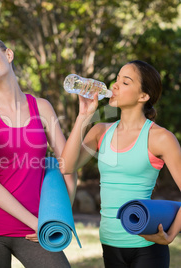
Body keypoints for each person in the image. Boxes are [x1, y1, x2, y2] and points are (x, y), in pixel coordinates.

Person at [0, 36, 77, 268]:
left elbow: (68, 164)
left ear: (8, 55)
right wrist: (37, 223)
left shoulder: (42, 107)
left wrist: (57, 218)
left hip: (36, 224)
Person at [60, 60, 181, 267]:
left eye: (125, 82)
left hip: (147, 246)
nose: (114, 86)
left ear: (143, 96)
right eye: (116, 79)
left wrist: (171, 234)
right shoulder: (100, 131)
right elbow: (67, 166)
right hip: (109, 243)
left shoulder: (160, 138)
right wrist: (84, 116)